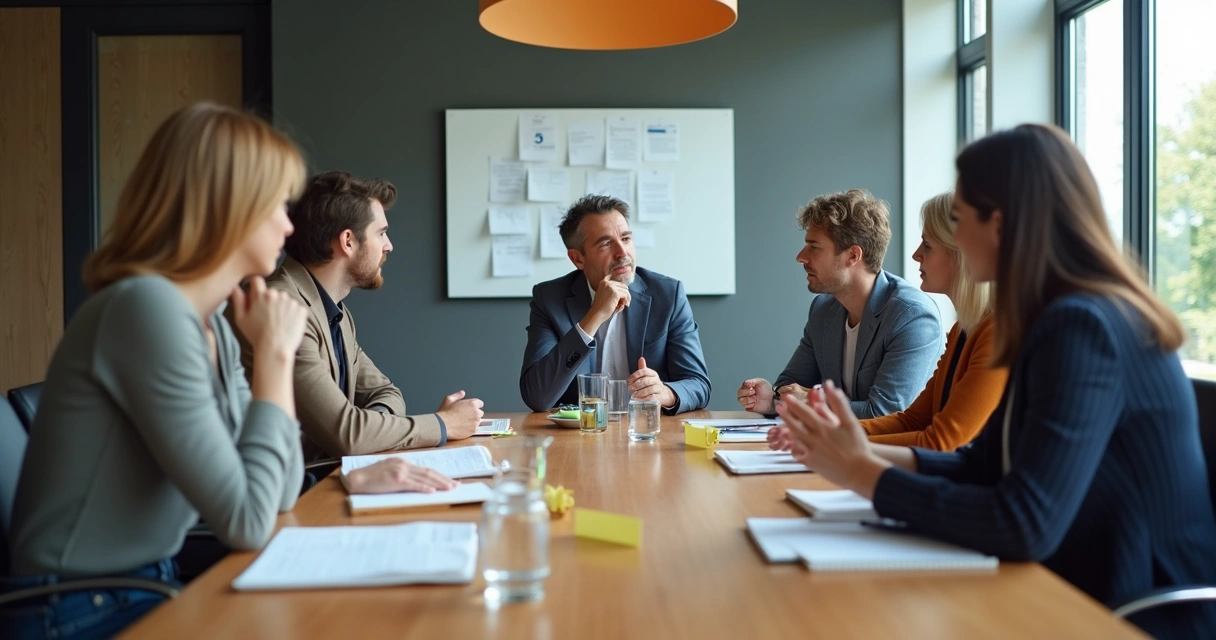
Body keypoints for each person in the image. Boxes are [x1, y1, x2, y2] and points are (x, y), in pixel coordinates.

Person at [777, 124, 1216, 639]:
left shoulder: (1084, 326)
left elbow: (1023, 522)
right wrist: (854, 453)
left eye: (960, 220)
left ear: (1000, 226)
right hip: (1074, 585)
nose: (954, 239)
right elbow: (983, 463)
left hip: (1130, 614)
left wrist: (863, 473)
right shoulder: (1046, 317)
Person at [231, 171, 484, 459]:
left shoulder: (335, 312)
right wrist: (443, 424)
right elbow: (349, 435)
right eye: (381, 233)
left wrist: (372, 430)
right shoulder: (283, 308)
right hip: (295, 484)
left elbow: (387, 394)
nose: (389, 245)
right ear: (348, 241)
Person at [768, 192, 1006, 450]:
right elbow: (911, 420)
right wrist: (825, 436)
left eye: (927, 245)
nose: (916, 254)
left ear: (963, 253)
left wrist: (830, 442)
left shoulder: (993, 333)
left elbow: (940, 441)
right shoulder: (962, 329)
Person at [737, 189, 942, 419]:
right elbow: (792, 384)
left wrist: (812, 402)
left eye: (814, 247)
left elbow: (884, 413)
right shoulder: (823, 309)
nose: (801, 257)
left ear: (853, 256)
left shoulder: (912, 316)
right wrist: (772, 401)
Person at [520, 194, 711, 414]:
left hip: (646, 428)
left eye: (626, 239)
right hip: (582, 431)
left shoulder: (668, 295)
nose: (622, 252)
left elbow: (698, 384)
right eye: (605, 244)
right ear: (578, 258)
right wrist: (594, 316)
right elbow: (537, 396)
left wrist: (665, 393)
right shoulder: (550, 299)